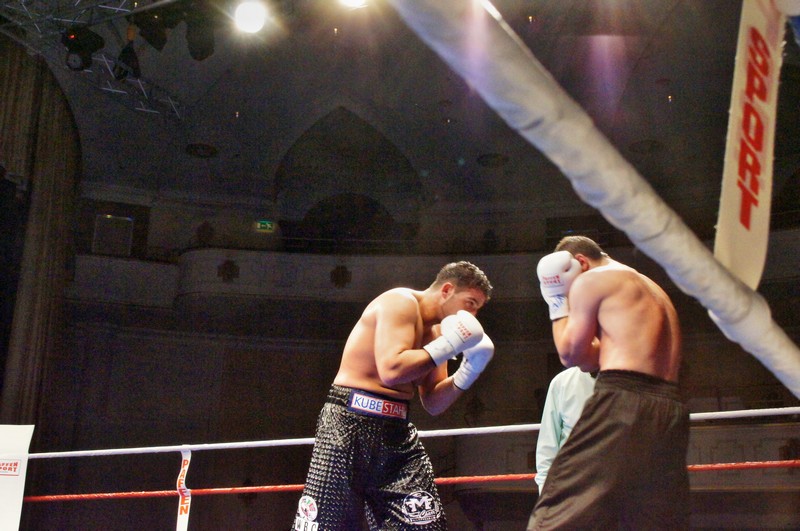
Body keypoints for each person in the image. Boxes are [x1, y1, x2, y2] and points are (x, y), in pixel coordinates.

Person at [293, 261, 494, 530]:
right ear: (447, 290)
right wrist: (450, 345)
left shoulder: (438, 334)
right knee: (327, 525)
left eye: (477, 309)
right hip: (348, 423)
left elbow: (433, 402)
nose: (472, 315)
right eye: (470, 303)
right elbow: (392, 370)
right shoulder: (400, 303)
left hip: (396, 432)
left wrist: (468, 371)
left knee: (424, 524)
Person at [528, 235, 689, 530]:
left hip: (623, 400)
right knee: (646, 519)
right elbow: (595, 360)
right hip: (670, 409)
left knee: (554, 517)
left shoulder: (592, 280)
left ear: (580, 263)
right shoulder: (652, 290)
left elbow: (571, 354)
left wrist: (556, 299)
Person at [534, 366, 596, 494]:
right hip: (572, 486)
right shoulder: (562, 382)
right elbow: (547, 447)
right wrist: (545, 493)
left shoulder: (628, 381)